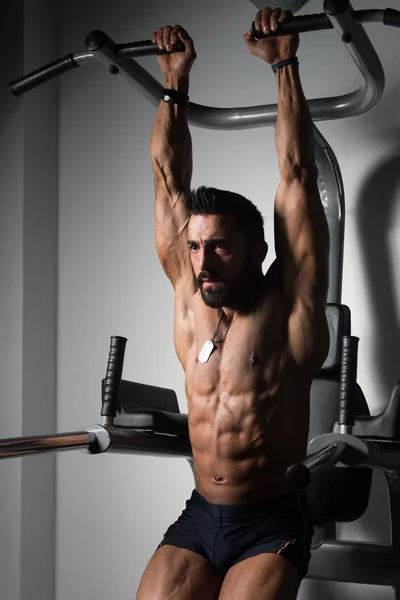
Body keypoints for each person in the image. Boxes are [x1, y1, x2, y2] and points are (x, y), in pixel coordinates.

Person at [136, 6, 330, 600]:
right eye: (195, 246)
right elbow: (168, 177)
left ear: (256, 250)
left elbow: (297, 173)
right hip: (199, 516)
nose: (203, 260)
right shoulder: (189, 299)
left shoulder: (287, 302)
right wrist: (175, 81)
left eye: (220, 246)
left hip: (270, 521)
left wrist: (285, 65)